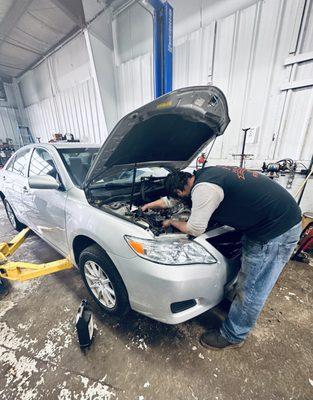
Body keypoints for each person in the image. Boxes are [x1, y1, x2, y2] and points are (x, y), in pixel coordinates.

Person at [141, 166, 302, 350]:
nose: (177, 199)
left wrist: (171, 222)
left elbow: (195, 228)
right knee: (247, 281)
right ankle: (239, 313)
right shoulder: (203, 175)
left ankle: (234, 335)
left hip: (276, 231)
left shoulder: (204, 190)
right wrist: (149, 206)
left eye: (177, 196)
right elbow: (171, 201)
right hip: (276, 218)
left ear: (180, 191)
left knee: (252, 288)